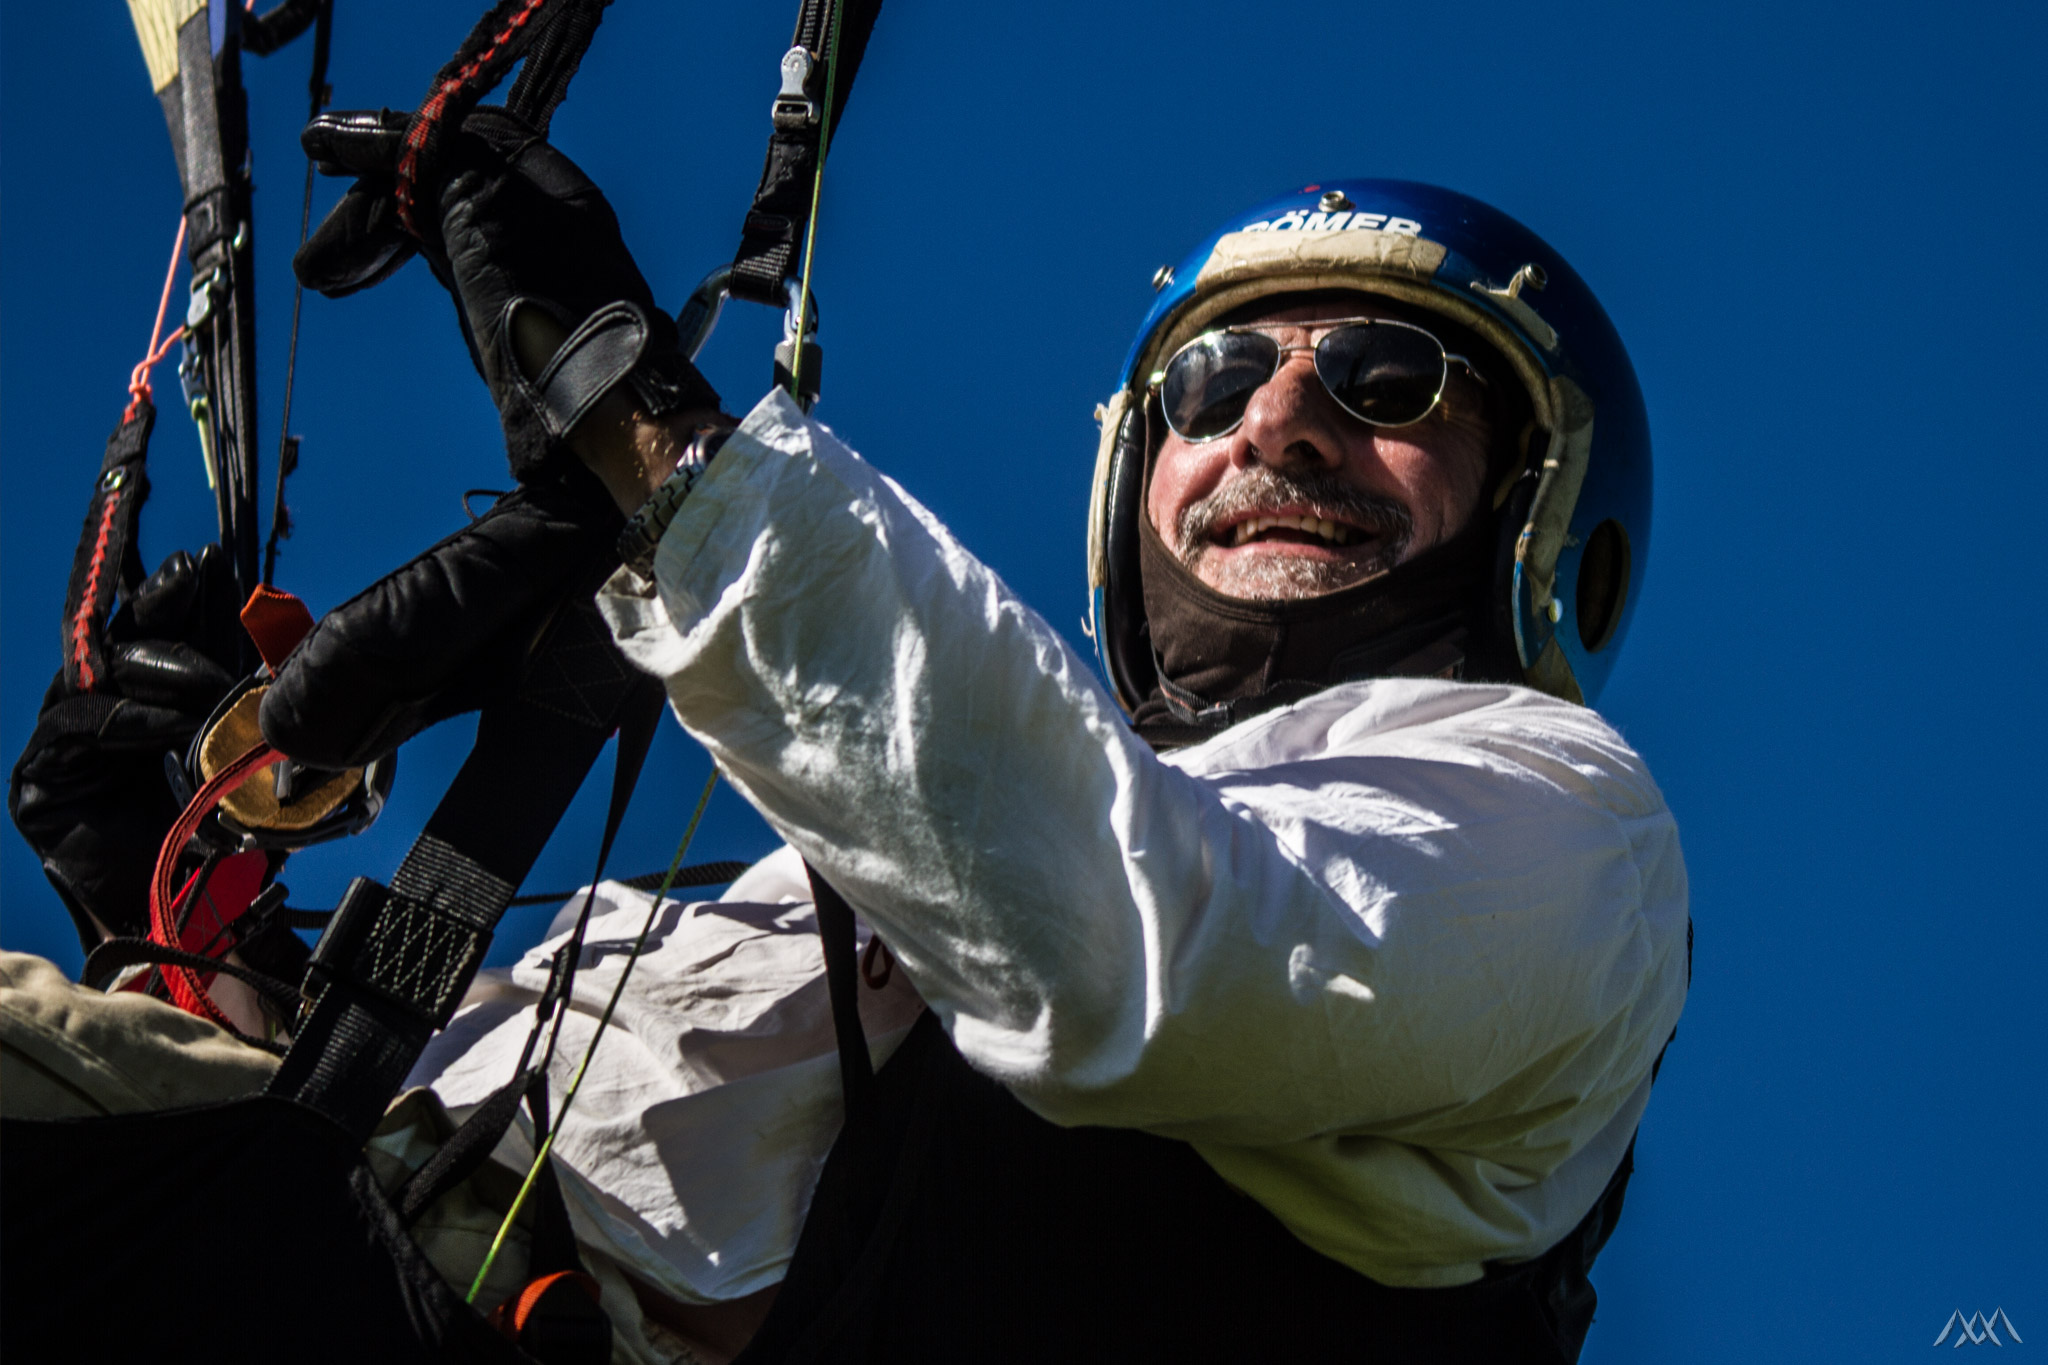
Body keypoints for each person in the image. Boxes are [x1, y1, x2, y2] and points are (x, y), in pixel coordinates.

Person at [6, 102, 1685, 1361]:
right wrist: (160, 892)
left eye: (1388, 381)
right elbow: (468, 1126)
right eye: (1214, 379)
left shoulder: (1562, 830)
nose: (1280, 420)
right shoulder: (956, 838)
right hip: (308, 1239)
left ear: (1533, 508)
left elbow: (1146, 959)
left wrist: (645, 436)